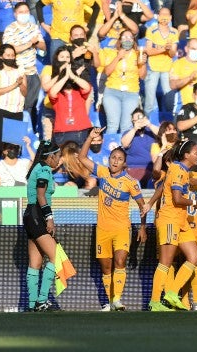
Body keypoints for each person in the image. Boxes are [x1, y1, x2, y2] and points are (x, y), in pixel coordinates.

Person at [79, 127, 146, 311]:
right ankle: (109, 302)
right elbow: (82, 158)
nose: (115, 161)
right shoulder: (102, 172)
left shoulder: (131, 182)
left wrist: (142, 227)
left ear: (124, 163)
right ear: (109, 160)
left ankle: (117, 299)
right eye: (113, 158)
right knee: (106, 268)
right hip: (103, 229)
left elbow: (143, 206)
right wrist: (89, 138)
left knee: (120, 263)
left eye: (119, 159)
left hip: (122, 229)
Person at [148, 140, 197, 311]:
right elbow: (178, 199)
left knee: (194, 258)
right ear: (186, 155)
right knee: (165, 262)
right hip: (170, 219)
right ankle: (155, 302)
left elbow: (162, 187)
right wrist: (192, 201)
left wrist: (149, 203)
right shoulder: (178, 171)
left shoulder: (181, 170)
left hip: (181, 221)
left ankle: (171, 293)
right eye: (196, 152)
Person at [22, 140, 61, 312]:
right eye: (58, 156)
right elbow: (41, 195)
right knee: (56, 257)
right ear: (51, 156)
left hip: (30, 215)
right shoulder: (44, 169)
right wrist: (49, 218)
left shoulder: (36, 168)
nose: (59, 160)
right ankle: (42, 300)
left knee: (35, 263)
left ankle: (32, 304)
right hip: (38, 215)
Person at [36, 0, 100, 58]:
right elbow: (38, 5)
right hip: (57, 36)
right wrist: (42, 23)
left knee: (76, 66)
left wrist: (89, 26)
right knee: (57, 67)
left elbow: (96, 7)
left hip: (76, 38)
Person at [3, 2, 46, 132]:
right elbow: (10, 50)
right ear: (15, 14)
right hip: (17, 73)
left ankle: (29, 134)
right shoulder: (10, 29)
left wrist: (35, 43)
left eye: (26, 11)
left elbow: (43, 46)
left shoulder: (34, 28)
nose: (24, 14)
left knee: (30, 106)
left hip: (32, 73)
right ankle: (14, 138)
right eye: (21, 12)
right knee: (16, 105)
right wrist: (29, 43)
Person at [99, 29, 147, 134]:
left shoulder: (138, 54)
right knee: (113, 125)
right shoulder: (112, 52)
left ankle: (124, 149)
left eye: (130, 37)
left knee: (127, 126)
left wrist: (142, 64)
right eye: (124, 37)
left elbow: (142, 76)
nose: (127, 39)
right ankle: (110, 149)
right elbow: (107, 72)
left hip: (131, 92)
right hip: (112, 91)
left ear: (134, 41)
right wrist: (118, 57)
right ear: (120, 40)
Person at [47, 46, 93, 147]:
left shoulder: (78, 89)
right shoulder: (57, 90)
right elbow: (52, 93)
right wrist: (64, 76)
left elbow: (87, 88)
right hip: (63, 132)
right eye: (62, 56)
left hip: (82, 130)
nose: (65, 59)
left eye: (68, 57)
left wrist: (72, 76)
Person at [0, 44, 27, 157]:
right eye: (7, 55)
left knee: (13, 148)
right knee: (0, 146)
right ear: (1, 56)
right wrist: (15, 85)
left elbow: (25, 92)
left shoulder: (20, 71)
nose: (10, 57)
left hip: (16, 111)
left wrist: (20, 84)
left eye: (12, 55)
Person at [143, 7, 178, 117]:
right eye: (162, 14)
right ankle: (145, 125)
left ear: (171, 17)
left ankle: (169, 122)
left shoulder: (174, 32)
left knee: (169, 99)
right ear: (157, 17)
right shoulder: (151, 30)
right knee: (149, 101)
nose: (164, 17)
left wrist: (169, 49)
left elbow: (172, 54)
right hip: (152, 68)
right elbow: (148, 50)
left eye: (167, 14)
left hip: (167, 69)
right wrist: (164, 48)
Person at [121, 108, 160, 188]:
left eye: (141, 119)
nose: (139, 122)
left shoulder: (151, 132)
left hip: (151, 169)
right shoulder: (129, 133)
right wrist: (135, 128)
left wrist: (149, 125)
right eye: (136, 120)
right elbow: (124, 144)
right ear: (132, 121)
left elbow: (163, 135)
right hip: (133, 169)